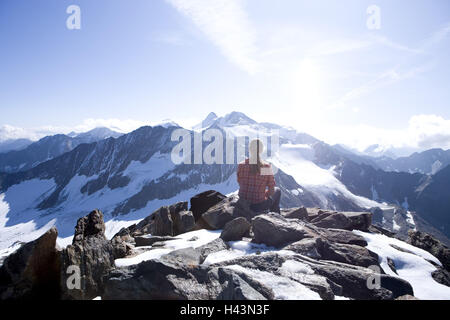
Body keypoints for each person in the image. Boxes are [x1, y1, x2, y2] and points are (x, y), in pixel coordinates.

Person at [237, 139, 281, 213]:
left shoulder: (241, 165)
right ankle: (276, 217)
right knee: (278, 190)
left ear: (250, 149)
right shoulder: (265, 167)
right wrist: (263, 194)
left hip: (243, 203)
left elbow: (240, 182)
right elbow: (271, 190)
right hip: (258, 205)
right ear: (261, 150)